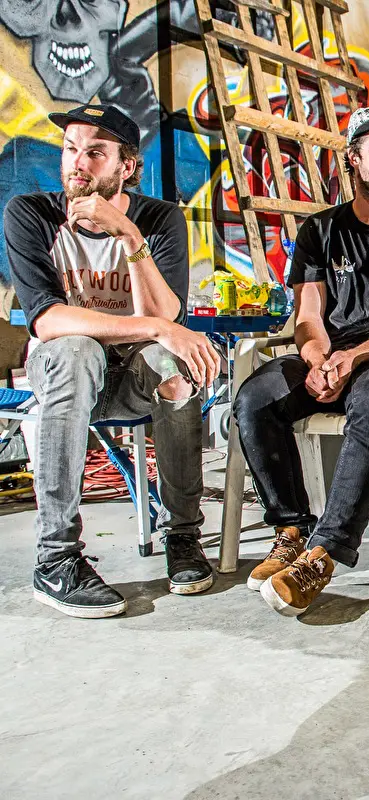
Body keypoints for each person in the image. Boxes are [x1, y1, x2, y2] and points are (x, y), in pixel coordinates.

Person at [232, 105, 369, 617]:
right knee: (254, 398)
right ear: (353, 160)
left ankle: (324, 553)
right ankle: (291, 530)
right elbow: (308, 317)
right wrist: (316, 359)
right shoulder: (320, 232)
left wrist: (348, 358)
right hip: (328, 356)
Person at [4, 104, 221, 618]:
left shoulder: (158, 218)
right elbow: (48, 320)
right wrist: (156, 329)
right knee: (77, 349)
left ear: (126, 166)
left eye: (95, 153)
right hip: (65, 375)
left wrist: (129, 236)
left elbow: (166, 312)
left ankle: (183, 535)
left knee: (175, 369)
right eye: (71, 149)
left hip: (132, 376)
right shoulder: (31, 214)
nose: (78, 163)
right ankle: (55, 558)